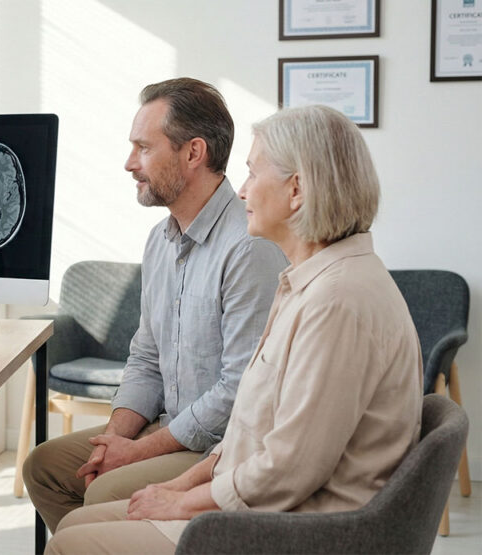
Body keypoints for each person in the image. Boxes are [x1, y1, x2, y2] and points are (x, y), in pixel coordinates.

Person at [44, 104, 424, 554]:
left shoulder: (336, 301)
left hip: (292, 528)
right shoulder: (309, 283)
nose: (241, 191)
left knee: (72, 543)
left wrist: (183, 501)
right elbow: (251, 426)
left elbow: (288, 469)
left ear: (296, 190)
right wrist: (182, 486)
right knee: (75, 523)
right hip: (262, 499)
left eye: (252, 173)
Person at [23, 78, 288, 531]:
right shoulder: (159, 241)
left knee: (103, 492)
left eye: (143, 148)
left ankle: (96, 538)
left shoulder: (249, 246)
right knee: (44, 468)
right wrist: (114, 441)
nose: (129, 164)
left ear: (193, 153)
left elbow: (239, 390)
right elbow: (146, 357)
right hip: (170, 426)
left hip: (223, 447)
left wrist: (139, 451)